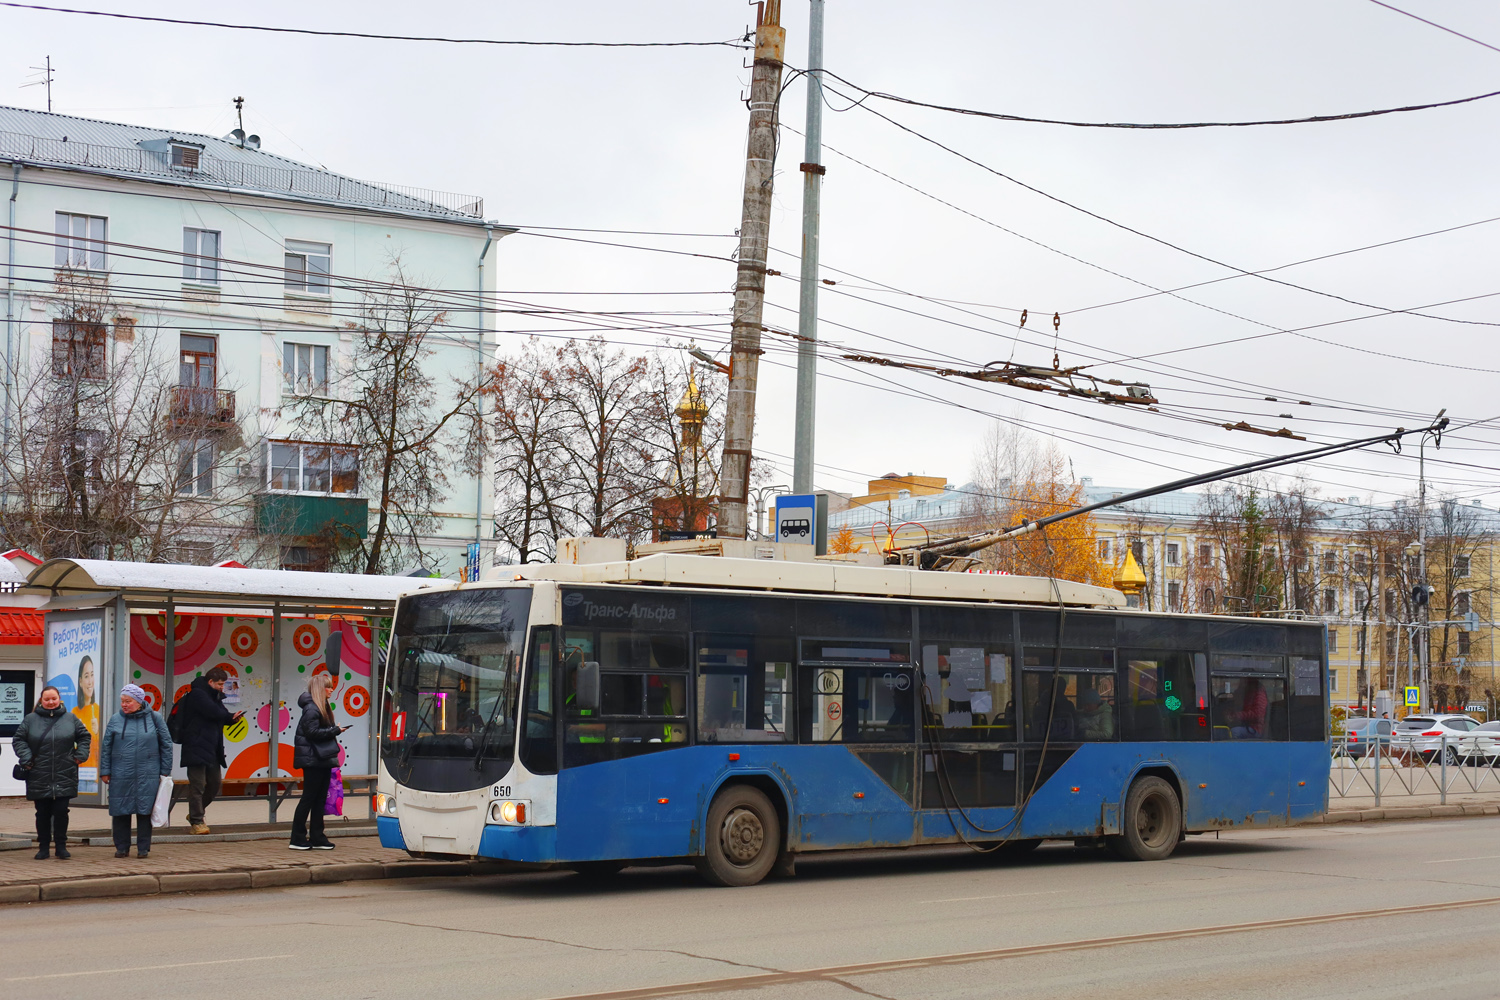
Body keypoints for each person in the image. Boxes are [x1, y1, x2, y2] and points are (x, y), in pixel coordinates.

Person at [13, 686, 91, 860]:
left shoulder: (70, 718)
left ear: (59, 699)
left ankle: (61, 846)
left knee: (62, 811)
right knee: (42, 813)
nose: (50, 702)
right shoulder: (30, 719)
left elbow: (84, 736)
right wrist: (27, 758)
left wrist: (80, 755)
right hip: (38, 773)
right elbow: (19, 740)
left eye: (53, 699)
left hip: (65, 772)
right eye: (47, 699)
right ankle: (43, 848)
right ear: (41, 700)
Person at [100, 684, 172, 859]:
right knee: (120, 810)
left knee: (144, 811)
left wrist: (165, 770)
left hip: (148, 773)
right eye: (122, 701)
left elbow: (166, 745)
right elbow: (106, 747)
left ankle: (143, 848)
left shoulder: (155, 718)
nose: (124, 705)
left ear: (139, 702)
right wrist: (105, 770)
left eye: (128, 701)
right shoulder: (115, 719)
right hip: (120, 772)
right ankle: (122, 847)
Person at [178, 667, 244, 835]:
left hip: (212, 748)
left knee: (214, 784)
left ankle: (196, 813)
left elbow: (221, 715)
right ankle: (197, 821)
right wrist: (227, 716)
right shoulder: (198, 694)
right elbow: (214, 712)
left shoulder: (214, 696)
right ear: (210, 682)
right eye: (220, 684)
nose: (222, 688)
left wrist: (232, 719)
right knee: (198, 785)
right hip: (196, 747)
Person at [291, 673, 349, 851]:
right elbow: (312, 733)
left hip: (320, 759)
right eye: (328, 687)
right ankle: (297, 838)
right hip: (313, 760)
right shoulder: (312, 708)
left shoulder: (319, 707)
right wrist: (335, 731)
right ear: (320, 689)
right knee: (309, 798)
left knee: (319, 798)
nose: (331, 689)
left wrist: (333, 730)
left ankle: (317, 837)